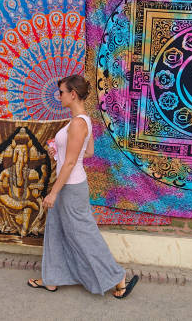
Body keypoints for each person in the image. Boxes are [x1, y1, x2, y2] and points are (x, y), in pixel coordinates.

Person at [27, 74, 139, 299]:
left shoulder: (78, 123)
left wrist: (54, 192)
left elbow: (71, 162)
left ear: (73, 94)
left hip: (70, 187)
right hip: (70, 183)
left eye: (61, 92)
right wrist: (57, 152)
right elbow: (87, 153)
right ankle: (52, 279)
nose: (58, 96)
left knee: (83, 234)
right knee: (56, 231)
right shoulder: (82, 120)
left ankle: (117, 275)